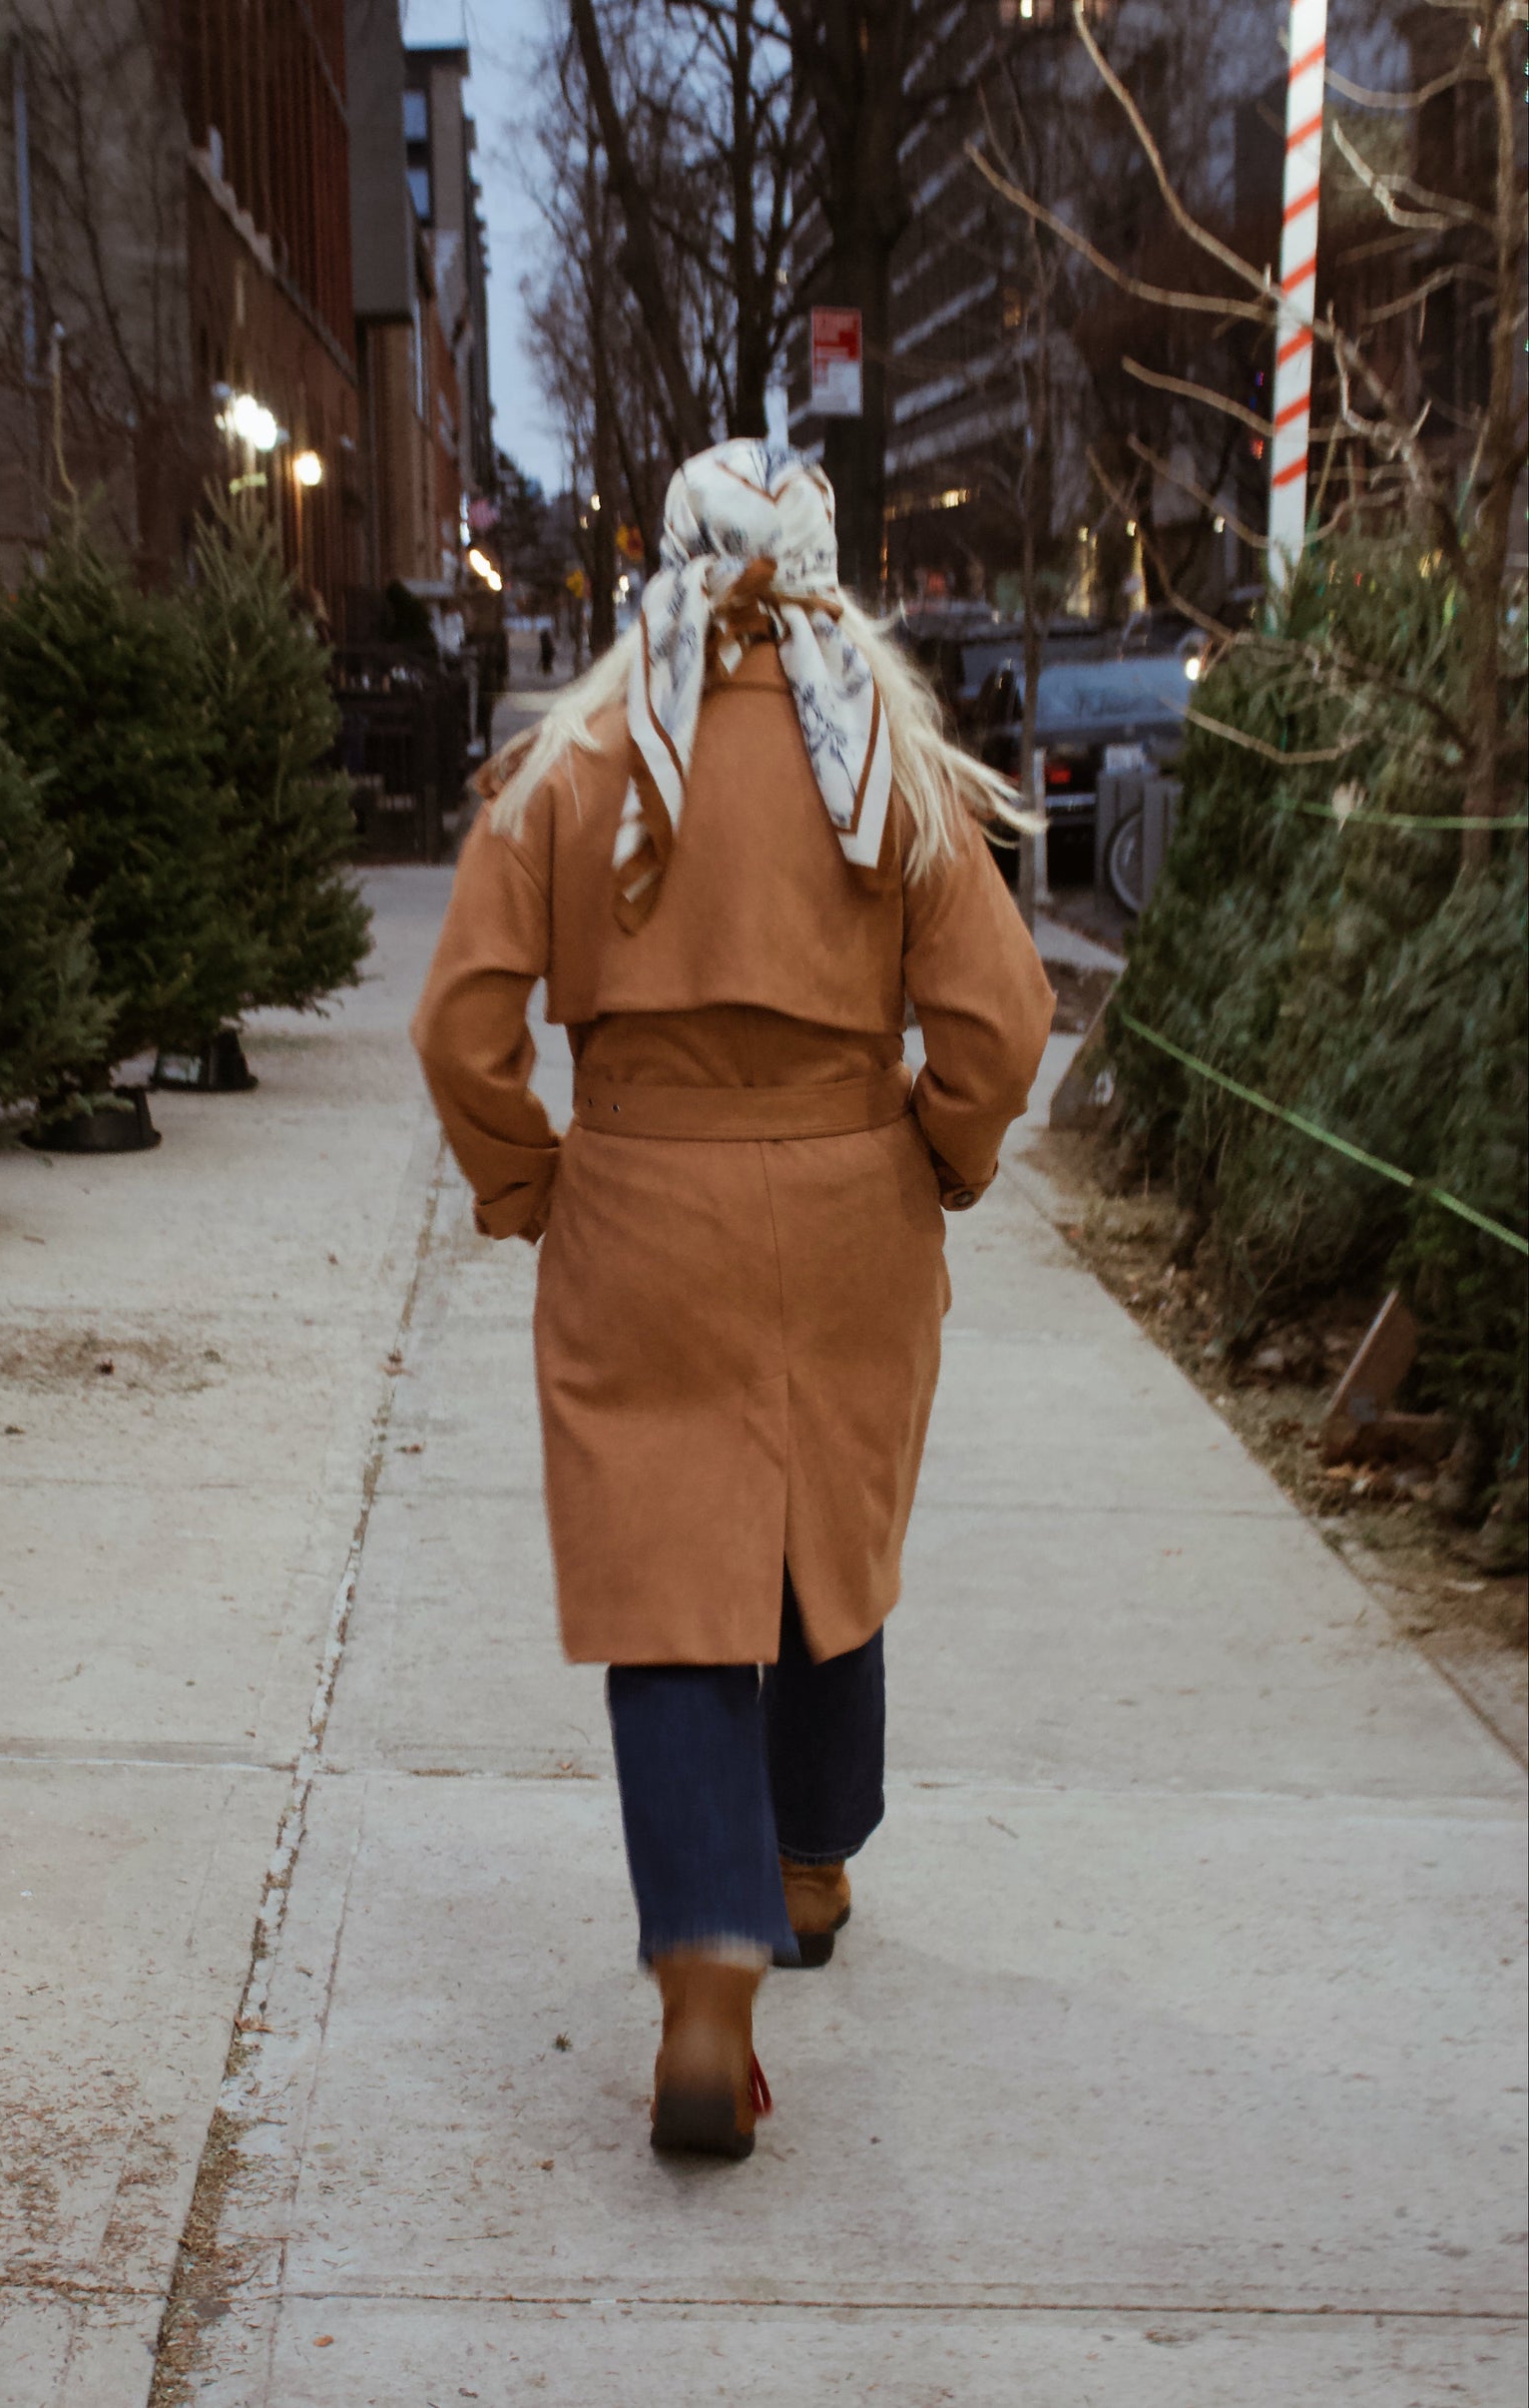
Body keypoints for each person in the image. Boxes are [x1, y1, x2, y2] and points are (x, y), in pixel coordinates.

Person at [411, 440, 1054, 2162]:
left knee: (670, 1580)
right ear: (827, 572)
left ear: (661, 573)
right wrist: (941, 1159)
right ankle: (812, 1864)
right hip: (851, 1202)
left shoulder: (574, 762)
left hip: (639, 1207)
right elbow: (1002, 1019)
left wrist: (526, 1180)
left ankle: (706, 1977)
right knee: (820, 1538)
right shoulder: (891, 768)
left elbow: (462, 1026)